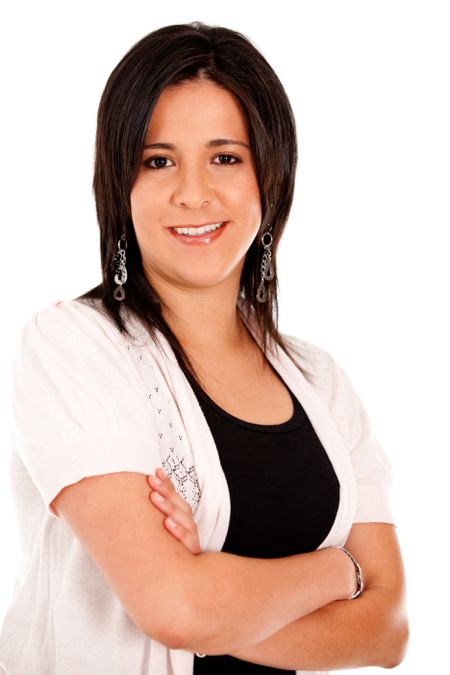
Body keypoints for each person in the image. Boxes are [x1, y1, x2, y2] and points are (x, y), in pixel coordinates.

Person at [0, 21, 408, 675]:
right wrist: (336, 571)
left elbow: (389, 628)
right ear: (119, 183)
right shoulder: (71, 345)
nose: (194, 192)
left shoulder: (320, 381)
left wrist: (215, 589)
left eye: (225, 157)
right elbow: (175, 609)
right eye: (158, 160)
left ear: (268, 176)